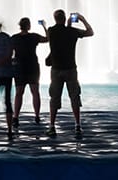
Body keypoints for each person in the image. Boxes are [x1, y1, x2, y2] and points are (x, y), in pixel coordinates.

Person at [46, 9, 94, 139]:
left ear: (55, 18)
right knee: (74, 97)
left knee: (54, 98)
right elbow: (90, 32)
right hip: (71, 69)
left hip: (56, 70)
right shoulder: (72, 32)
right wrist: (82, 19)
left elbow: (60, 36)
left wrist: (67, 24)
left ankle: (51, 126)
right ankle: (77, 125)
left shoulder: (51, 31)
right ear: (65, 18)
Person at [11, 17, 48, 128]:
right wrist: (44, 26)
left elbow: (9, 51)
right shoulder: (34, 37)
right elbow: (48, 39)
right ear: (29, 26)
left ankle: (16, 117)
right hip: (33, 67)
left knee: (18, 93)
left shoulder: (14, 38)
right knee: (35, 92)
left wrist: (11, 61)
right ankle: (37, 116)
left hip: (19, 68)